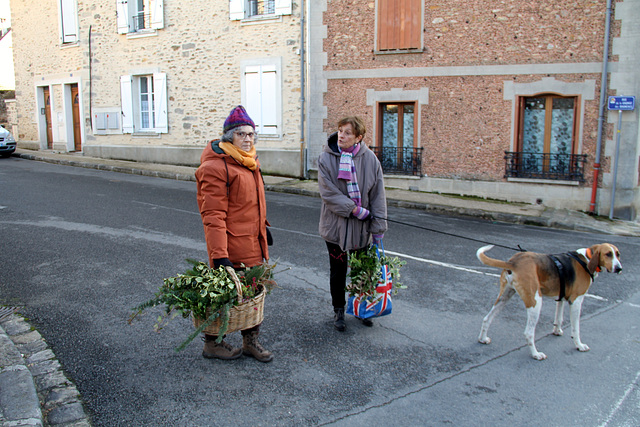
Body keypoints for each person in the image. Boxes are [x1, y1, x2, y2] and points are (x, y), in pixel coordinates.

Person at [195, 105, 273, 362]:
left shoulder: (250, 161)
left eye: (251, 133)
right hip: (230, 247)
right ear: (229, 137)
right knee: (224, 295)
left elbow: (251, 203)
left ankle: (251, 341)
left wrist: (264, 227)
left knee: (252, 295)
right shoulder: (215, 167)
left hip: (254, 242)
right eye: (241, 134)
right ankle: (212, 344)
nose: (248, 138)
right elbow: (213, 215)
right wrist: (219, 256)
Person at [318, 116, 388, 331]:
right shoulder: (326, 158)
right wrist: (354, 209)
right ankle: (338, 310)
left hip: (362, 229)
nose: (341, 135)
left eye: (347, 132)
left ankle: (360, 307)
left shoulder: (370, 160)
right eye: (340, 130)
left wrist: (378, 228)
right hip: (335, 228)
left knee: (360, 270)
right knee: (338, 271)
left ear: (358, 137)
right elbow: (328, 193)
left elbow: (378, 195)